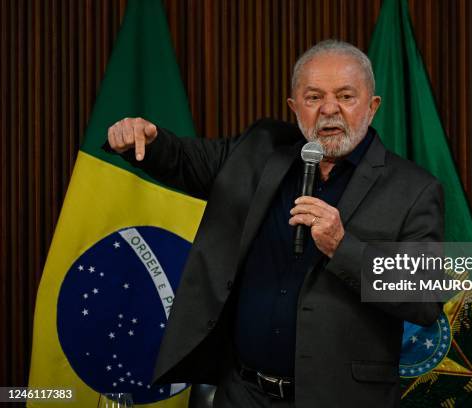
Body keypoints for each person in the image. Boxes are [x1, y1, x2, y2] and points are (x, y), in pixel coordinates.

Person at [106, 39, 443, 408]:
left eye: (346, 97)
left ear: (373, 106)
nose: (329, 109)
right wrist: (142, 141)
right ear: (294, 106)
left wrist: (342, 247)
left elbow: (425, 299)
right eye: (313, 98)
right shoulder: (259, 150)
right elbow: (184, 159)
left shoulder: (412, 188)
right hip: (243, 394)